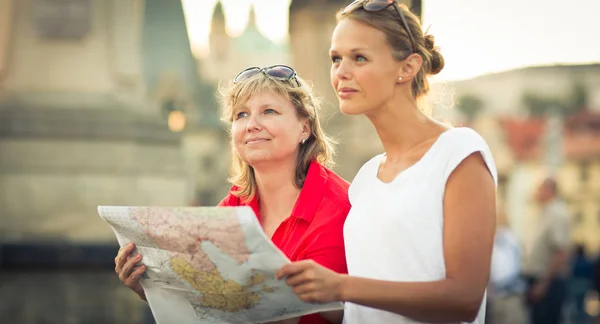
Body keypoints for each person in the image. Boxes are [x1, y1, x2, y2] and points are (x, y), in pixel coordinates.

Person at [277, 1, 498, 323]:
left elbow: (464, 297)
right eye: (336, 59)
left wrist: (340, 286)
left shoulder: (458, 152)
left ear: (407, 68)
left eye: (359, 58)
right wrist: (288, 301)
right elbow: (363, 309)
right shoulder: (366, 178)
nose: (341, 72)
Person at [114, 65, 351, 324]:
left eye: (269, 111)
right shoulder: (231, 207)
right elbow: (205, 306)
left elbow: (347, 314)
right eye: (241, 115)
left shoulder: (340, 207)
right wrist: (153, 288)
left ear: (304, 128)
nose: (252, 125)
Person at [523, 177, 572, 324]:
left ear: (549, 191)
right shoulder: (545, 213)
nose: (536, 193)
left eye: (540, 189)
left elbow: (560, 253)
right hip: (539, 280)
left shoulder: (557, 214)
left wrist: (543, 284)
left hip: (547, 282)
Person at [487, 205, 528, 324]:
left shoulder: (505, 239)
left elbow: (504, 270)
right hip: (503, 296)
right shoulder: (511, 239)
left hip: (507, 295)